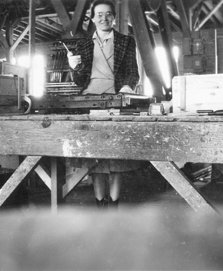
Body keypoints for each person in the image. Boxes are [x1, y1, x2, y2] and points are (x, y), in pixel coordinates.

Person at [67, 0, 140, 208]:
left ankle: (114, 204)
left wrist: (127, 87)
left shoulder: (127, 41)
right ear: (92, 18)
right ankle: (100, 203)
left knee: (116, 157)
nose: (103, 18)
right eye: (99, 14)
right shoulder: (83, 44)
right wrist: (75, 68)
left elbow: (133, 72)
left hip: (115, 101)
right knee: (95, 157)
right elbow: (80, 81)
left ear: (114, 17)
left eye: (108, 14)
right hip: (90, 101)